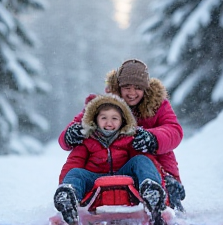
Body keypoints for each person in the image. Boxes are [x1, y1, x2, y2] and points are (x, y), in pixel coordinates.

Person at [58, 59, 186, 212]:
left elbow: (174, 130)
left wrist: (152, 139)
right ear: (118, 87)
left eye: (138, 88)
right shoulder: (105, 107)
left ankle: (155, 191)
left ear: (145, 88)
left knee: (143, 163)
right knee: (77, 173)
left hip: (153, 166)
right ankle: (69, 195)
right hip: (101, 170)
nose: (132, 93)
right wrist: (69, 136)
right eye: (127, 87)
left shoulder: (158, 105)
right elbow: (77, 131)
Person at [54, 94, 166, 225]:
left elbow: (147, 163)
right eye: (103, 118)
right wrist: (63, 184)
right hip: (94, 177)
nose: (109, 123)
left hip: (125, 174)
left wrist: (162, 185)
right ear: (95, 120)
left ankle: (151, 190)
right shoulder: (86, 139)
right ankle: (68, 196)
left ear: (123, 120)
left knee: (141, 159)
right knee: (76, 172)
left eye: (114, 118)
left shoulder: (131, 138)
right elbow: (73, 163)